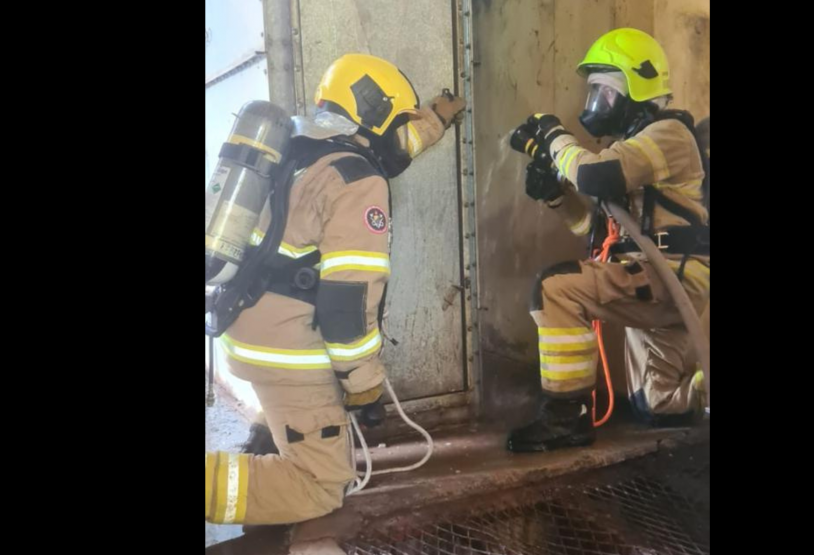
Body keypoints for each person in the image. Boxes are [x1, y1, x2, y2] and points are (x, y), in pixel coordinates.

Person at [206, 53, 466, 525]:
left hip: (247, 325)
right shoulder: (357, 180)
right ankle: (274, 475)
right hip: (287, 351)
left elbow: (391, 149)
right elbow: (347, 304)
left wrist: (435, 119)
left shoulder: (301, 147)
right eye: (398, 120)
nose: (401, 133)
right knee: (319, 486)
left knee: (297, 422)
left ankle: (268, 444)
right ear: (376, 113)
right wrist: (364, 386)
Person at [507, 28, 709, 453]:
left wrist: (553, 136)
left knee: (554, 288)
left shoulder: (669, 135)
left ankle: (566, 417)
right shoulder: (632, 149)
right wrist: (555, 197)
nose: (596, 102)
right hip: (651, 275)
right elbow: (596, 234)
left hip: (673, 277)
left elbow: (592, 174)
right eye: (593, 91)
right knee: (658, 406)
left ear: (638, 89)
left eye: (605, 91)